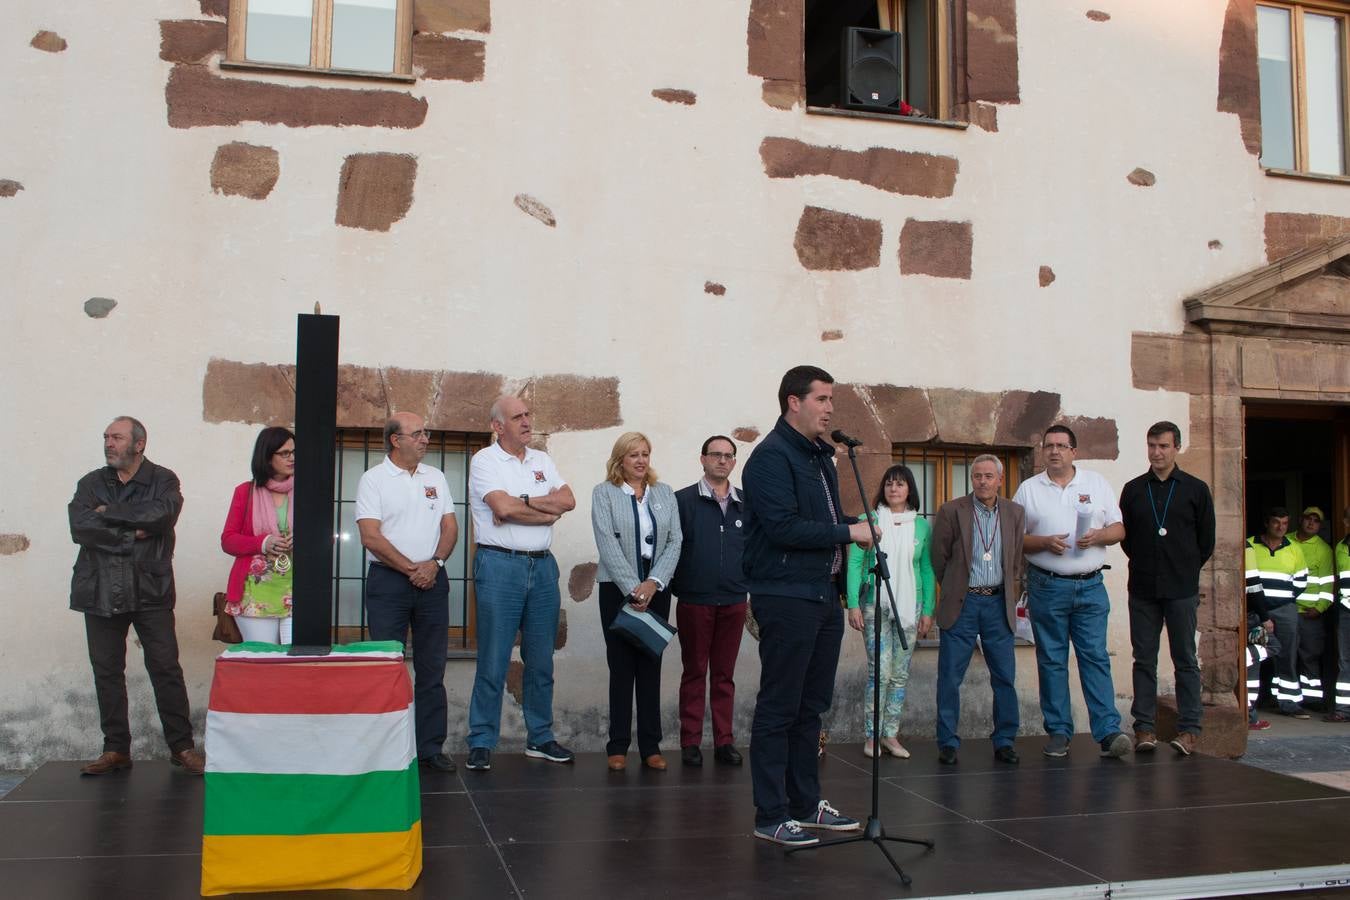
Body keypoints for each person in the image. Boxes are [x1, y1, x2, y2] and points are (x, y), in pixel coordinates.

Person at [742, 365, 872, 847]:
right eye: (822, 399)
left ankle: (804, 802)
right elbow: (783, 528)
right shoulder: (770, 458)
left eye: (831, 399)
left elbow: (824, 520)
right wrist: (847, 532)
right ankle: (770, 814)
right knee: (779, 707)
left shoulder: (821, 457)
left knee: (811, 707)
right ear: (794, 402)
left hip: (823, 596)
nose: (830, 408)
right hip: (785, 595)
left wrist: (857, 523)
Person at [68, 417, 204, 776]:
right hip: (99, 587)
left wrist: (109, 513)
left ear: (139, 444)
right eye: (106, 438)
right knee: (107, 672)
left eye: (116, 437)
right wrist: (131, 534)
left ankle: (182, 747)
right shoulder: (91, 483)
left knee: (165, 668)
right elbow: (80, 527)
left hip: (150, 588)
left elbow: (162, 515)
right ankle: (116, 749)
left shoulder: (164, 480)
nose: (108, 443)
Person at [465, 395, 576, 771]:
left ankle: (540, 737)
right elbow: (502, 508)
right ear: (498, 426)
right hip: (500, 566)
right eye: (518, 417)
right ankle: (481, 741)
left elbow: (568, 500)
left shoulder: (542, 460)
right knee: (493, 660)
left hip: (543, 568)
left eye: (529, 414)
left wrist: (526, 502)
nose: (528, 421)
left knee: (541, 660)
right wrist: (542, 510)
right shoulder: (484, 460)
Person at [1013, 425, 1130, 759]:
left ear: (1073, 452)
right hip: (1046, 585)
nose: (1054, 451)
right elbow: (1015, 538)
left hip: (1091, 585)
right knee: (1051, 660)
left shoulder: (1095, 483)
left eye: (1061, 446)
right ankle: (1059, 732)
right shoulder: (1028, 489)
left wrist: (1098, 536)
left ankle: (1108, 732)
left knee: (1094, 657)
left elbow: (1120, 529)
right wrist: (1044, 542)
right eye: (1048, 445)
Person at [356, 412, 459, 773]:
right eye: (417, 434)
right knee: (386, 667)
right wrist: (411, 569)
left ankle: (430, 748)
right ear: (395, 440)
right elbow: (370, 536)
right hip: (389, 582)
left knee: (432, 670)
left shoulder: (437, 477)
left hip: (433, 580)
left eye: (425, 433)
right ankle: (388, 751)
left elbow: (450, 526)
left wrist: (435, 564)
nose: (425, 439)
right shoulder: (374, 479)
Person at [1117, 421, 1215, 756]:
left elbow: (1206, 541)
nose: (1156, 452)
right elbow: (1127, 539)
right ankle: (1144, 728)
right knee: (1143, 659)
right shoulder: (1133, 489)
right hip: (1143, 587)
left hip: (1181, 588)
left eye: (1163, 446)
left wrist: (1183, 567)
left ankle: (1189, 730)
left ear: (1177, 448)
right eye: (1151, 446)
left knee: (1185, 659)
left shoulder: (1195, 489)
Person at [591, 432, 683, 771]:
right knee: (621, 667)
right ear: (620, 460)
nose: (641, 460)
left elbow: (675, 540)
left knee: (650, 666)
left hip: (657, 587)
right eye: (633, 455)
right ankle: (617, 746)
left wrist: (653, 583)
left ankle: (650, 746)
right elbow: (607, 544)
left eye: (645, 453)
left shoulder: (664, 493)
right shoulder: (604, 493)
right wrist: (634, 588)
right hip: (617, 589)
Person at [930, 455, 1025, 766]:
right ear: (971, 479)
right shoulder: (951, 510)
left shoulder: (1014, 512)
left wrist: (1010, 591)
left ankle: (1005, 740)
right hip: (964, 603)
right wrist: (956, 587)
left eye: (988, 476)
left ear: (1000, 479)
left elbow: (1017, 560)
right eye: (977, 476)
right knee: (949, 676)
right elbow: (939, 558)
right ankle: (947, 742)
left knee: (1004, 677)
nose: (982, 482)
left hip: (998, 603)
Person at [845, 464, 935, 760]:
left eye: (900, 484)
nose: (894, 489)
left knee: (899, 673)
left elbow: (925, 568)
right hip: (875, 604)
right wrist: (853, 604)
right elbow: (855, 563)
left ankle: (890, 734)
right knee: (879, 672)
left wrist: (928, 611)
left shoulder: (921, 526)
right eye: (889, 484)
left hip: (910, 605)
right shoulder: (868, 521)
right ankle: (871, 736)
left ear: (910, 490)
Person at [671, 435, 748, 768]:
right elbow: (670, 548)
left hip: (734, 600)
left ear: (734, 462)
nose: (722, 460)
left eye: (728, 455)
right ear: (702, 459)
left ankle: (724, 741)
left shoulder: (747, 503)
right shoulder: (683, 501)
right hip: (694, 599)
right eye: (715, 454)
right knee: (694, 671)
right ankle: (690, 742)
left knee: (724, 674)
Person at [220, 427, 296, 644]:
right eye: (284, 453)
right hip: (256, 592)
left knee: (297, 663)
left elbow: (323, 536)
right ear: (267, 456)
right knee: (264, 662)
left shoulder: (307, 491)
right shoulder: (245, 492)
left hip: (298, 589)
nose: (292, 458)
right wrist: (263, 542)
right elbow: (228, 540)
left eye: (294, 452)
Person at [1245, 507, 1310, 718]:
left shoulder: (1295, 549)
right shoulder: (1250, 544)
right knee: (1257, 655)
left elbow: (1301, 582)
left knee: (1287, 655)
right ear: (1267, 523)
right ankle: (1251, 706)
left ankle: (1289, 703)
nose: (1281, 527)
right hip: (1255, 612)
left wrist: (1282, 598)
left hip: (1285, 610)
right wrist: (1262, 607)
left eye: (1284, 523)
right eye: (1276, 522)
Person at [1291, 506, 1334, 711]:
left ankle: (1312, 700)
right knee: (1285, 656)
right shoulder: (1287, 541)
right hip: (1288, 609)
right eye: (1308, 518)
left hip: (1311, 614)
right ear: (1301, 519)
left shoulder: (1324, 549)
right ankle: (1286, 698)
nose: (1311, 523)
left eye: (1316, 521)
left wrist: (1320, 607)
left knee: (1310, 656)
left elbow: (1327, 583)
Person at [1329, 507, 1350, 722]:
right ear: (1346, 521)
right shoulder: (1341, 547)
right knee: (1345, 660)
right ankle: (1343, 709)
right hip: (1346, 611)